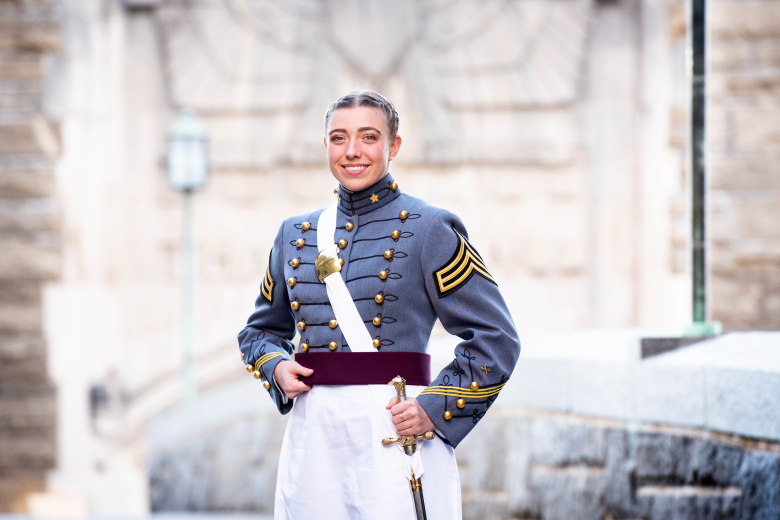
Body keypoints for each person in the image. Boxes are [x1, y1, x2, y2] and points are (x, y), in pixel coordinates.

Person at [238, 90, 520, 520]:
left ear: (394, 146)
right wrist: (276, 364)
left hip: (394, 427)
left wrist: (433, 410)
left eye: (368, 137)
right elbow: (258, 333)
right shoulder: (293, 233)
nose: (352, 151)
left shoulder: (431, 228)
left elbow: (496, 339)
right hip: (313, 434)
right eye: (338, 138)